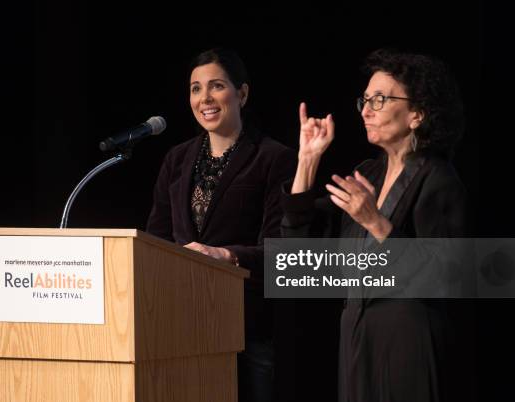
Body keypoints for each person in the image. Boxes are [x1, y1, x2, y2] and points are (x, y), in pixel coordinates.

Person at [281, 49, 470, 402]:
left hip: (408, 342)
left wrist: (375, 221)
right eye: (365, 100)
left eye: (379, 100)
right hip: (357, 336)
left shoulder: (439, 179)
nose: (366, 110)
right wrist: (307, 160)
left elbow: (446, 278)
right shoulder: (367, 174)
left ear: (417, 114)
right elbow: (297, 249)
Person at [146, 48, 296, 402]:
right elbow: (156, 238)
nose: (205, 98)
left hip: (249, 329)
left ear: (242, 94)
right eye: (196, 89)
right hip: (184, 326)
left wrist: (224, 255)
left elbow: (281, 252)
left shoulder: (274, 158)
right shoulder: (177, 159)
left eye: (216, 86)